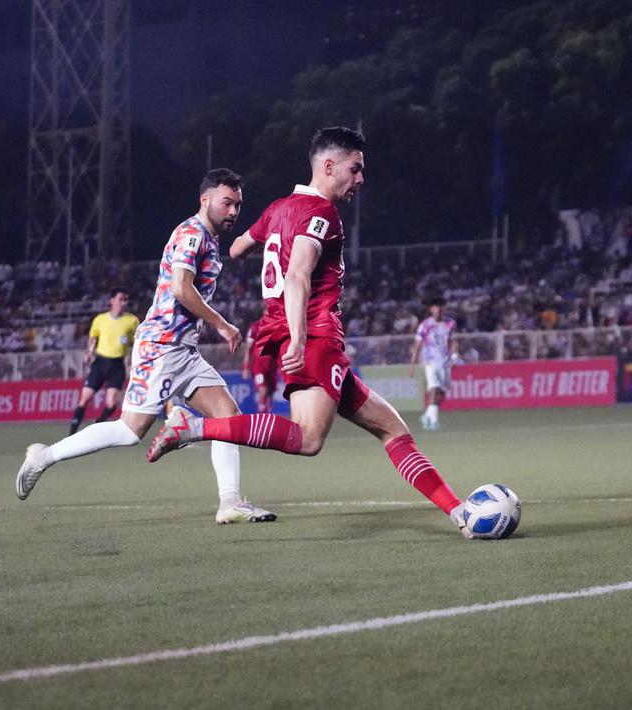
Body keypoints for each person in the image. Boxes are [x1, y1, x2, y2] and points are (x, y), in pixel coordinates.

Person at [145, 127, 473, 537]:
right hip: (313, 337)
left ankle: (460, 512)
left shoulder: (280, 207)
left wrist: (272, 238)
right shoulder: (322, 213)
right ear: (329, 166)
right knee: (308, 439)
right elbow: (298, 274)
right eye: (355, 169)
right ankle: (191, 428)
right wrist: (300, 336)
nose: (360, 179)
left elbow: (237, 248)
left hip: (292, 331)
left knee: (392, 429)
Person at [15, 169, 277, 524]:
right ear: (205, 199)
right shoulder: (191, 234)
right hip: (161, 346)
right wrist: (221, 323)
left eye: (238, 205)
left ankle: (229, 502)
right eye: (227, 203)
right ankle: (42, 457)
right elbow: (180, 289)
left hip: (183, 350)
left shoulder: (211, 241)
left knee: (227, 417)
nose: (233, 211)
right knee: (128, 431)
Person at [68, 288, 140, 435]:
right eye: (121, 299)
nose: (124, 303)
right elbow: (93, 337)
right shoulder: (100, 319)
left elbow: (136, 342)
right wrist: (88, 352)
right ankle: (72, 433)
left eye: (126, 300)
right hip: (100, 364)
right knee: (84, 399)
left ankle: (97, 425)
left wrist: (134, 360)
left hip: (117, 365)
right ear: (111, 300)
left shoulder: (132, 321)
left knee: (111, 404)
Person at [409, 297, 458, 430]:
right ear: (431, 309)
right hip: (430, 361)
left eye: (440, 306)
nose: (438, 309)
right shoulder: (425, 325)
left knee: (442, 393)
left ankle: (427, 415)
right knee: (434, 388)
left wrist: (454, 356)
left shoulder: (450, 323)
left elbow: (452, 341)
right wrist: (412, 365)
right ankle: (433, 420)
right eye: (435, 307)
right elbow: (417, 345)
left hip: (445, 362)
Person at [241, 320, 279, 413]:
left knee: (270, 392)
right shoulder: (255, 327)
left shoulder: (277, 325)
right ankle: (262, 415)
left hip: (272, 365)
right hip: (259, 366)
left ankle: (268, 415)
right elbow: (249, 348)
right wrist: (246, 367)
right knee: (263, 390)